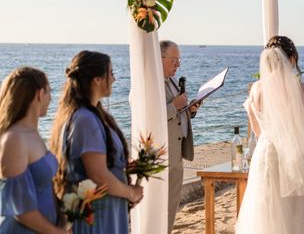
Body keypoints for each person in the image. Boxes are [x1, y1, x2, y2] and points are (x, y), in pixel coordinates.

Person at [236, 36, 304, 234]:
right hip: (294, 156)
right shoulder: (303, 90)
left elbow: (257, 131)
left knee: (266, 210)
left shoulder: (256, 89)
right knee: (296, 213)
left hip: (266, 153)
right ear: (292, 59)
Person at [50, 51, 143, 234]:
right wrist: (130, 192)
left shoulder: (92, 115)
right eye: (111, 73)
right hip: (97, 215)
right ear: (97, 79)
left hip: (107, 209)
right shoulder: (85, 120)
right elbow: (98, 176)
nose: (114, 79)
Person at [0, 67, 68, 234]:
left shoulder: (32, 134)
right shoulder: (15, 139)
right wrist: (55, 232)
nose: (51, 98)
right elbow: (20, 210)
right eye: (49, 91)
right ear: (39, 94)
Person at [160, 40, 199, 234]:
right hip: (163, 154)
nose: (178, 65)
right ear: (160, 59)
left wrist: (189, 109)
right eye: (174, 60)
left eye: (179, 59)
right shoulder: (152, 83)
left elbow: (178, 111)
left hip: (177, 153)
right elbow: (150, 115)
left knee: (173, 204)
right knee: (162, 206)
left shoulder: (173, 80)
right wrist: (174, 106)